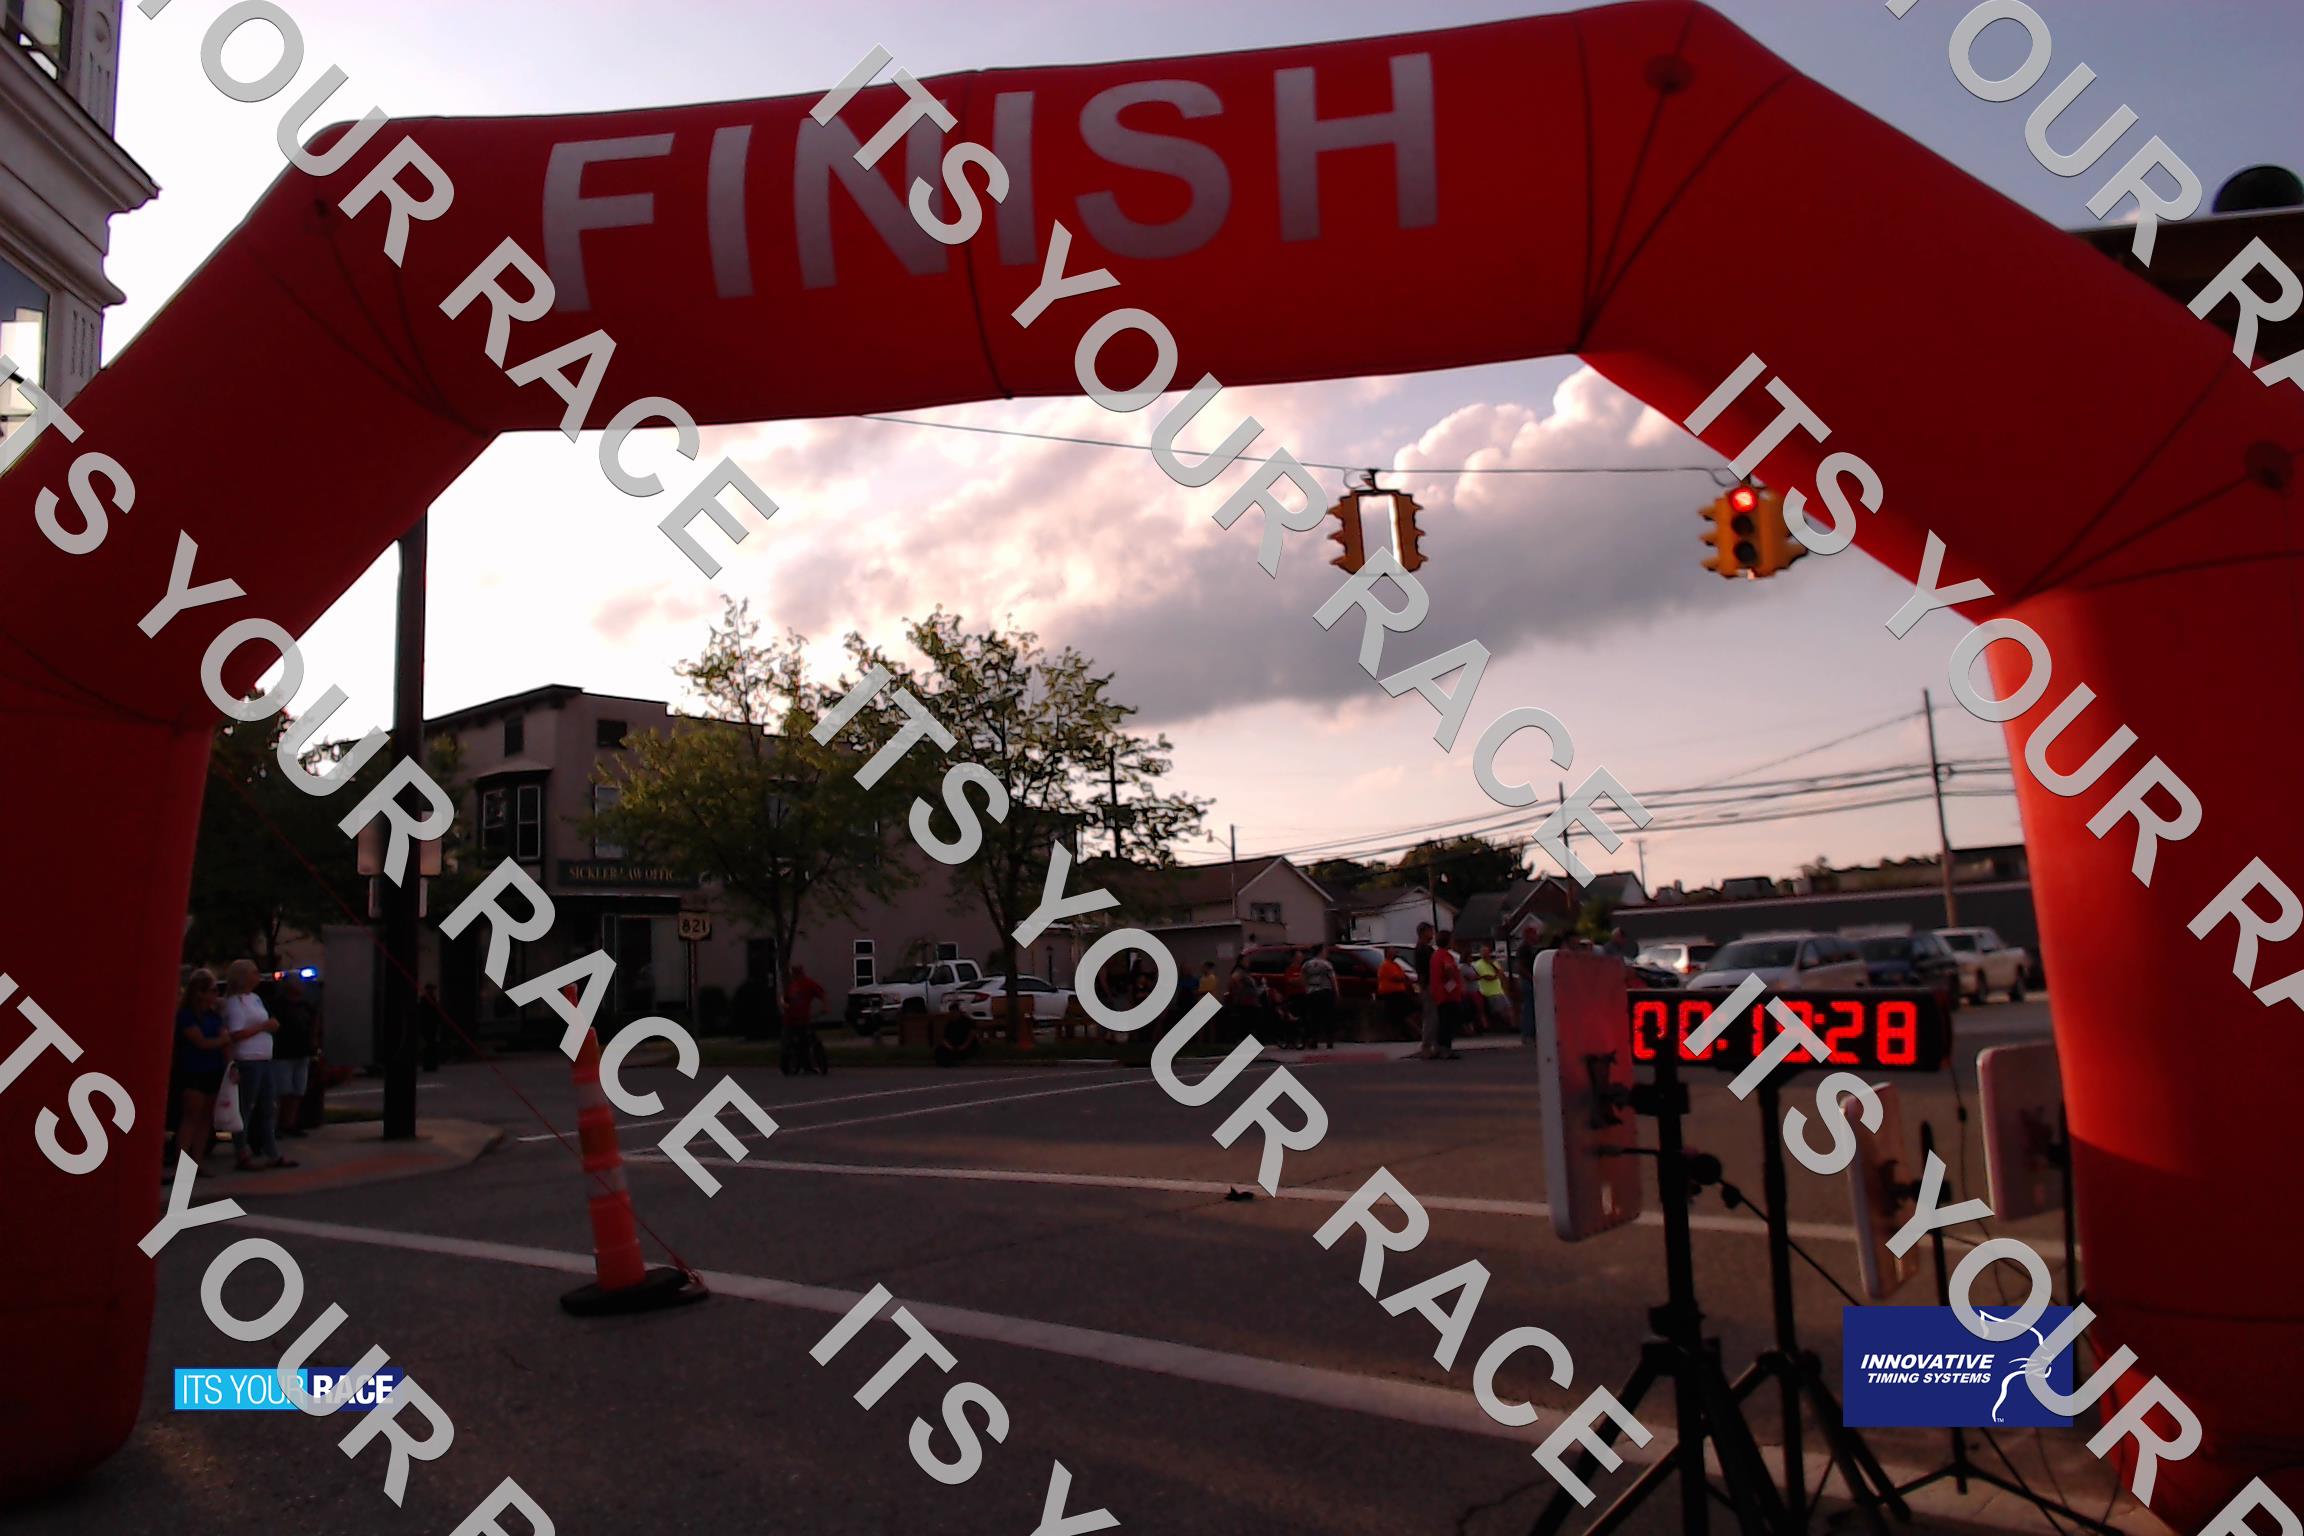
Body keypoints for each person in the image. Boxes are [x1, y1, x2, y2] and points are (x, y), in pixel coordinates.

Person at [222, 959, 291, 1170]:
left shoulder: (256, 999)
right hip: (248, 1059)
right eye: (253, 973)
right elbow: (235, 1034)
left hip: (264, 1057)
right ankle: (241, 1152)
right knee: (246, 1107)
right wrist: (263, 1027)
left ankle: (271, 1151)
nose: (257, 976)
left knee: (267, 1107)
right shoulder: (235, 1003)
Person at [169, 969, 230, 1170]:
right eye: (212, 990)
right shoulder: (187, 1016)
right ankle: (182, 1165)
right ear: (200, 993)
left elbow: (223, 1038)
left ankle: (197, 1162)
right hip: (193, 1070)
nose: (216, 995)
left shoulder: (214, 1015)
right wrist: (221, 1040)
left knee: (205, 1118)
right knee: (191, 1117)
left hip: (213, 1068)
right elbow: (201, 1042)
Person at [272, 975, 317, 1138]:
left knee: (298, 1090)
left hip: (302, 1053)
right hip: (283, 1054)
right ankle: (276, 1125)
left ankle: (289, 1124)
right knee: (282, 1090)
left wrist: (314, 1042)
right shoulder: (278, 1006)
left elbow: (314, 1022)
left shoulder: (306, 1006)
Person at [782, 964, 828, 1075]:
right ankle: (794, 1063)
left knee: (807, 1040)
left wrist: (825, 1006)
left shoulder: (807, 984)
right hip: (791, 1020)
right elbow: (785, 999)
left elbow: (821, 993)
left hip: (802, 1020)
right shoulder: (792, 985)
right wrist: (784, 1004)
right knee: (791, 1043)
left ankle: (807, 1064)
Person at [1430, 932, 1467, 1060]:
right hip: (1448, 995)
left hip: (1439, 993)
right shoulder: (1446, 955)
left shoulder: (1435, 955)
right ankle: (1446, 1048)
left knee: (1442, 1021)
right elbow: (1448, 969)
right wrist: (1454, 984)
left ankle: (1439, 1047)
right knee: (1448, 1022)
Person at [1299, 944, 1339, 1050]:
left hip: (1312, 992)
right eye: (1325, 951)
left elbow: (1302, 979)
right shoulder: (1326, 964)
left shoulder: (1306, 964)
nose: (1326, 953)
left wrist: (1307, 989)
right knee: (1328, 1016)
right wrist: (1336, 992)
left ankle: (1314, 1040)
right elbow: (1333, 979)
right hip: (1325, 992)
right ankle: (1329, 1040)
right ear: (1321, 952)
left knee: (1314, 1017)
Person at [1377, 949, 1417, 1040]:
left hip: (1399, 993)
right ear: (1388, 953)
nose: (1396, 952)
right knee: (1400, 1015)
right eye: (1393, 951)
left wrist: (1404, 977)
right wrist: (1403, 977)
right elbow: (1397, 977)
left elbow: (1403, 975)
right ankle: (1413, 1033)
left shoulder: (1394, 964)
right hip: (1392, 994)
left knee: (1405, 1014)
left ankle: (1410, 1034)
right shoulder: (1386, 965)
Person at [1412, 922, 1439, 1059]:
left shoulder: (1427, 949)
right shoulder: (1422, 950)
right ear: (1423, 933)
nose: (1432, 935)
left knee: (1435, 1017)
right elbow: (1422, 971)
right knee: (1430, 1017)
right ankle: (1426, 1046)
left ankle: (1435, 1045)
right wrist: (1423, 988)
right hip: (1428, 986)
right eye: (1430, 932)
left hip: (1432, 985)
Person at [1472, 943, 1510, 1036]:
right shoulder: (1478, 964)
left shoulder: (1494, 962)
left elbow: (1501, 973)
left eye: (1487, 952)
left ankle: (1511, 1027)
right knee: (1500, 1011)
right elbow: (1488, 977)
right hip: (1489, 992)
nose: (1485, 954)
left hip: (1499, 990)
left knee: (1508, 1008)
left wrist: (1493, 965)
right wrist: (1497, 974)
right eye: (1483, 953)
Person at [418, 980, 444, 1071]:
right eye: (431, 989)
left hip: (432, 1026)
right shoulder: (425, 1000)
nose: (432, 991)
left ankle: (431, 1065)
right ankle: (429, 1065)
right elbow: (423, 1014)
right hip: (428, 1026)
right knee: (428, 1046)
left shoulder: (432, 999)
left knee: (432, 1046)